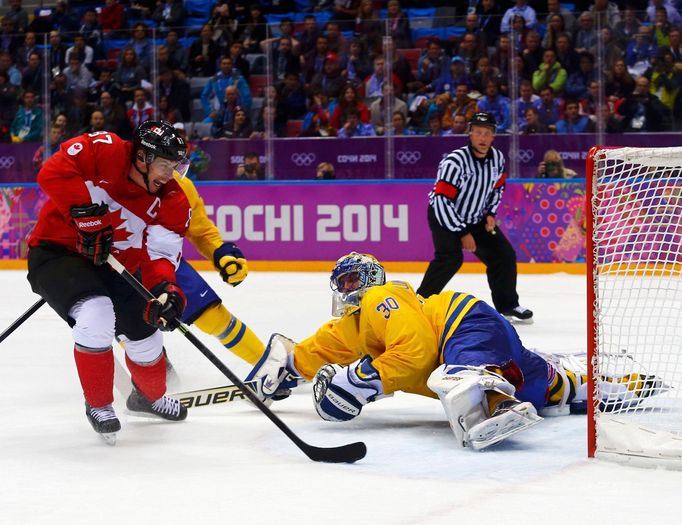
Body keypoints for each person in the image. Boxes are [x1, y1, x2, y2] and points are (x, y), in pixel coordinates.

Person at [247, 253, 658, 450]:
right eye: (343, 283)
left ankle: (494, 404)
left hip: (462, 326)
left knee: (460, 379)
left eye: (353, 279)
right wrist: (285, 372)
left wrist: (362, 381)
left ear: (370, 278)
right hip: (490, 346)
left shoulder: (381, 296)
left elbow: (417, 352)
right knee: (549, 389)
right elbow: (315, 350)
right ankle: (623, 384)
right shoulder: (346, 330)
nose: (347, 289)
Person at [26, 121, 191, 442]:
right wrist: (86, 217)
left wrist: (166, 291)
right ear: (142, 158)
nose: (170, 175)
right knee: (96, 314)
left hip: (118, 269)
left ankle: (147, 397)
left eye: (176, 167)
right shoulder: (104, 150)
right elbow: (52, 173)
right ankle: (99, 404)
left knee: (148, 339)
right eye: (164, 165)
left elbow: (160, 256)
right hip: (58, 253)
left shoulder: (173, 201)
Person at [416, 112, 533, 323]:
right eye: (478, 132)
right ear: (470, 134)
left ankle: (508, 305)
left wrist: (490, 213)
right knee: (450, 258)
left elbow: (498, 187)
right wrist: (462, 233)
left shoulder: (497, 158)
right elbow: (442, 201)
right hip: (445, 216)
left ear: (493, 136)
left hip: (476, 218)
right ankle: (420, 303)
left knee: (503, 255)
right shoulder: (454, 162)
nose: (482, 137)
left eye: (487, 133)